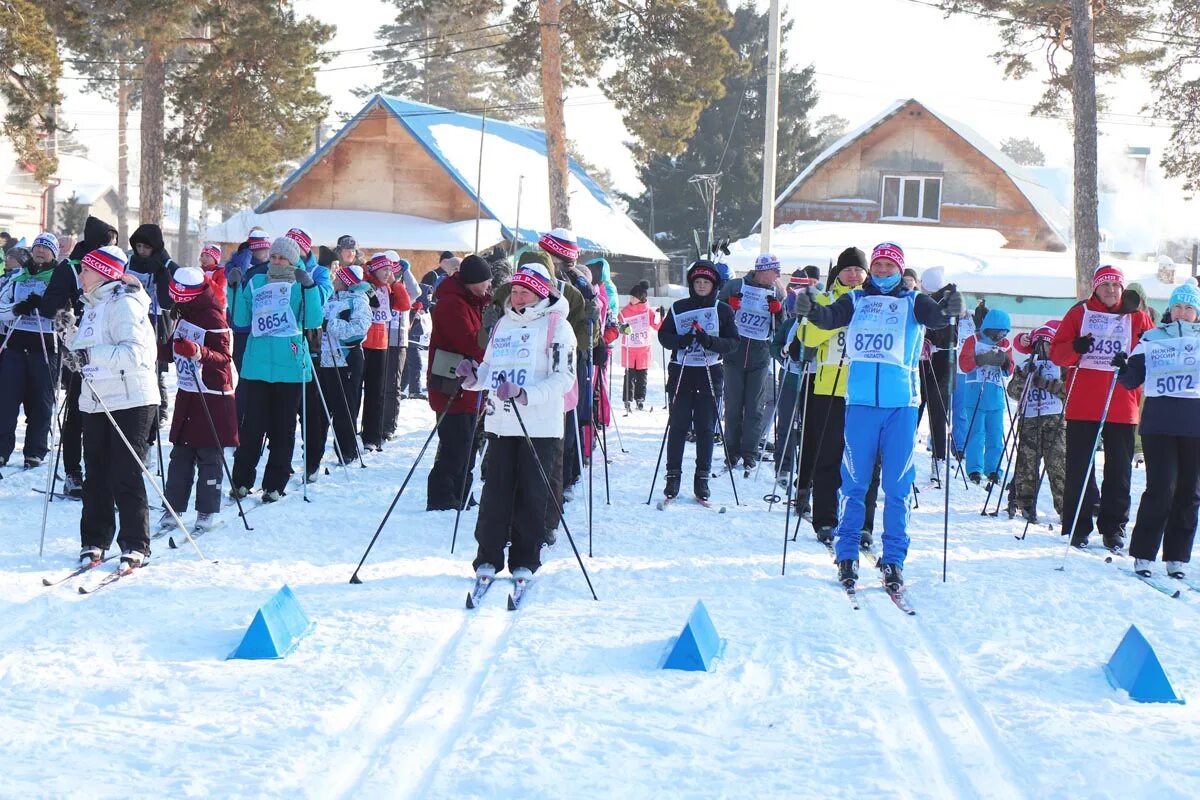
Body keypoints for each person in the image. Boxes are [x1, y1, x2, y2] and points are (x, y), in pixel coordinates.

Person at [794, 242, 962, 593]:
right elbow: (830, 317)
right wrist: (811, 309)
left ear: (900, 269)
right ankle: (846, 552)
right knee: (854, 483)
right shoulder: (856, 299)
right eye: (879, 265)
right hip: (859, 405)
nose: (883, 270)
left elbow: (936, 318)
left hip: (901, 407)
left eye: (890, 265)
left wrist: (949, 309)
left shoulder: (913, 301)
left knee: (897, 486)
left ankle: (895, 558)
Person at [457, 262, 577, 583]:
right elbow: (489, 369)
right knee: (494, 492)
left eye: (525, 291)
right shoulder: (503, 324)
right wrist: (472, 378)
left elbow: (564, 378)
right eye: (515, 290)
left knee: (532, 494)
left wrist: (526, 394)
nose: (518, 297)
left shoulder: (558, 326)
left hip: (539, 426)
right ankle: (488, 557)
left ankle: (525, 558)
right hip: (501, 422)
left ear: (540, 293)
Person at [59, 246, 159, 570]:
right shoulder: (92, 305)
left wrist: (90, 355)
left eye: (86, 269)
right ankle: (94, 540)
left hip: (131, 398)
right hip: (96, 398)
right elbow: (86, 351)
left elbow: (137, 354)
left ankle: (135, 544)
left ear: (103, 273)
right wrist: (68, 335)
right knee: (96, 472)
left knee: (125, 472)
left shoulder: (125, 304)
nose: (81, 275)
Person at [1050, 264, 1154, 550]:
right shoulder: (1079, 313)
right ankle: (1077, 526)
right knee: (1080, 468)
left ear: (1123, 288)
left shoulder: (1138, 317)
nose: (1111, 290)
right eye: (1105, 285)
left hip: (1122, 403)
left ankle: (1113, 527)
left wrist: (1130, 364)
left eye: (1116, 285)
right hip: (1084, 403)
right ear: (1095, 288)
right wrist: (1076, 347)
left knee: (1119, 470)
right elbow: (1057, 353)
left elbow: (1152, 356)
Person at [229, 236, 324, 502]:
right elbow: (240, 319)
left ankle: (274, 484)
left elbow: (313, 320)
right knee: (251, 427)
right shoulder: (257, 281)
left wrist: (310, 288)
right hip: (257, 365)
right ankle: (241, 481)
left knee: (283, 428)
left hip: (290, 366)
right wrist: (233, 288)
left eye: (283, 258)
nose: (277, 261)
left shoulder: (300, 284)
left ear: (293, 261)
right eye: (274, 256)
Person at [798, 247, 881, 548]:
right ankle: (825, 519)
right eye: (848, 270)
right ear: (838, 273)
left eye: (859, 270)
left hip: (865, 392)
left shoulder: (876, 302)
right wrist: (838, 319)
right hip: (829, 390)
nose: (854, 275)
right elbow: (806, 338)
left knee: (866, 461)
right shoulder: (825, 299)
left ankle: (863, 524)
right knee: (828, 457)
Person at [1117, 278, 1200, 578]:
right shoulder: (1152, 338)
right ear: (1169, 309)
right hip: (1159, 425)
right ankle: (1143, 554)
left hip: (1195, 426)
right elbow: (1131, 379)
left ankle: (1177, 557)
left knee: (1189, 492)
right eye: (1177, 306)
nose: (1182, 312)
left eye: (1189, 307)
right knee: (1161, 488)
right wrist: (1122, 367)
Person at [157, 267, 238, 533]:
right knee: (181, 453)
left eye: (182, 299)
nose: (177, 303)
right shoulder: (184, 313)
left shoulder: (213, 315)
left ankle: (206, 510)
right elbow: (172, 351)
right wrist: (151, 349)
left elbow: (225, 357)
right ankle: (173, 507)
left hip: (212, 395)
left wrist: (198, 352)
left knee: (208, 455)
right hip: (188, 391)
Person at [657, 260, 738, 501]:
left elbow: (733, 342)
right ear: (692, 284)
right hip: (682, 371)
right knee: (678, 425)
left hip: (709, 372)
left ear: (714, 285)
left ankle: (702, 478)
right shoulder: (679, 307)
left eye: (706, 282)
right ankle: (673, 476)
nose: (702, 285)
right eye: (698, 282)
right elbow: (663, 335)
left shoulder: (723, 310)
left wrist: (710, 342)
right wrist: (680, 341)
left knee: (705, 427)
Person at [53, 216, 118, 497]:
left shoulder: (113, 265)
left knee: (106, 414)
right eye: (106, 243)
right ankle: (73, 473)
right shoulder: (71, 266)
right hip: (79, 348)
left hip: (107, 351)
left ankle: (100, 474)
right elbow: (51, 304)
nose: (109, 248)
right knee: (77, 414)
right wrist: (67, 314)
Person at [426, 254, 493, 511]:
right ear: (472, 281)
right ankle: (443, 496)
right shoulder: (452, 304)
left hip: (469, 384)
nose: (489, 286)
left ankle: (462, 491)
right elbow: (469, 341)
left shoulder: (472, 301)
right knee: (455, 443)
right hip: (452, 384)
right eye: (485, 282)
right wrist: (491, 342)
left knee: (468, 442)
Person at [0, 232, 69, 469]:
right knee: (6, 402)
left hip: (45, 349)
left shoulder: (59, 279)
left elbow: (67, 316)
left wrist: (48, 308)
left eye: (46, 248)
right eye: (38, 246)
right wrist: (17, 308)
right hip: (15, 347)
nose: (40, 251)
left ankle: (35, 451)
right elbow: (0, 308)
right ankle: (2, 450)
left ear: (54, 254)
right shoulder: (18, 276)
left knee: (41, 403)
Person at [718, 253, 784, 471]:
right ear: (762, 271)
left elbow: (781, 326)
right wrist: (728, 306)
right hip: (734, 354)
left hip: (759, 355)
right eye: (775, 271)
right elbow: (716, 312)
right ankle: (731, 451)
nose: (778, 275)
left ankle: (750, 453)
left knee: (755, 407)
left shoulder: (777, 291)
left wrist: (778, 312)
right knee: (734, 406)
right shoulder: (735, 285)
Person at [306, 263, 371, 479]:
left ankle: (346, 450)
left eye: (338, 278)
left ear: (346, 281)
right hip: (324, 359)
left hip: (346, 359)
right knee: (320, 410)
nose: (334, 280)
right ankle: (314, 454)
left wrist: (329, 324)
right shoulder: (330, 298)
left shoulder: (358, 301)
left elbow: (357, 332)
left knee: (344, 407)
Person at [1006, 321, 1065, 522]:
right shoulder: (1025, 365)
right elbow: (1013, 392)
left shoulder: (1061, 366)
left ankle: (1064, 507)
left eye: (1047, 344)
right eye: (1040, 345)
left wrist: (1046, 383)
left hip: (1055, 422)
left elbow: (1069, 390)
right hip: (1030, 421)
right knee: (1027, 465)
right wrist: (1024, 377)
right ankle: (1026, 505)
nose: (1044, 349)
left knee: (1058, 465)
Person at [127, 223, 179, 429]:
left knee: (154, 367)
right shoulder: (128, 260)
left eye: (146, 247)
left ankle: (159, 410)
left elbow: (171, 299)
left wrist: (163, 275)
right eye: (139, 246)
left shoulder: (165, 262)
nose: (141, 251)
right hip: (131, 317)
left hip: (155, 319)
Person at [958, 307, 1015, 485]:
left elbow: (1010, 369)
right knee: (976, 434)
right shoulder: (973, 340)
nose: (999, 337)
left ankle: (993, 469)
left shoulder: (1005, 344)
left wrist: (1005, 361)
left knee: (995, 435)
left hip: (995, 397)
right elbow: (963, 364)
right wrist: (979, 359)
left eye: (1003, 333)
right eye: (997, 333)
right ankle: (974, 469)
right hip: (975, 396)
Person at [360, 253, 409, 449]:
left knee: (376, 393)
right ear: (374, 270)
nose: (388, 273)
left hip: (381, 345)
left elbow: (405, 305)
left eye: (390, 270)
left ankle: (371, 436)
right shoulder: (365, 283)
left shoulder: (389, 288)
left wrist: (395, 283)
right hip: (362, 344)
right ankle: (350, 434)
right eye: (384, 269)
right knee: (355, 393)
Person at [225, 228, 272, 424]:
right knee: (246, 378)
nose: (264, 254)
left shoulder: (270, 266)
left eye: (266, 249)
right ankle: (239, 422)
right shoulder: (240, 264)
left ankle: (252, 420)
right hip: (244, 330)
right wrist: (245, 256)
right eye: (259, 249)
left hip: (263, 330)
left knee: (258, 380)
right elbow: (235, 277)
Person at [919, 267, 954, 484]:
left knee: (937, 416)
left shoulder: (948, 301)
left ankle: (938, 461)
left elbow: (952, 337)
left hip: (940, 367)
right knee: (914, 413)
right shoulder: (923, 300)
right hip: (921, 365)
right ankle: (907, 458)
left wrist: (933, 341)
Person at [618, 280, 661, 411]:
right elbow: (618, 324)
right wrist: (622, 328)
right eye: (630, 297)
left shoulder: (648, 311)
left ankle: (640, 398)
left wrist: (659, 316)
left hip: (643, 348)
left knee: (642, 375)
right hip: (630, 348)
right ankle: (627, 399)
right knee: (629, 375)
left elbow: (657, 325)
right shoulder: (625, 311)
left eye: (634, 297)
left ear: (640, 298)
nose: (631, 299)